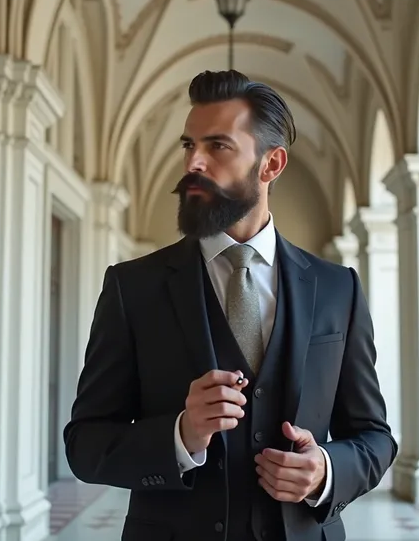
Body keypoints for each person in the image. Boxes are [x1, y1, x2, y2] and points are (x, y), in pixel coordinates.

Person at [63, 70, 397, 541]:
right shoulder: (131, 287)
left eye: (217, 146)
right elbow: (85, 444)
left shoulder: (337, 288)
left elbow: (374, 437)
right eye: (188, 145)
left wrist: (324, 471)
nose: (193, 163)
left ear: (271, 164)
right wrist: (181, 435)